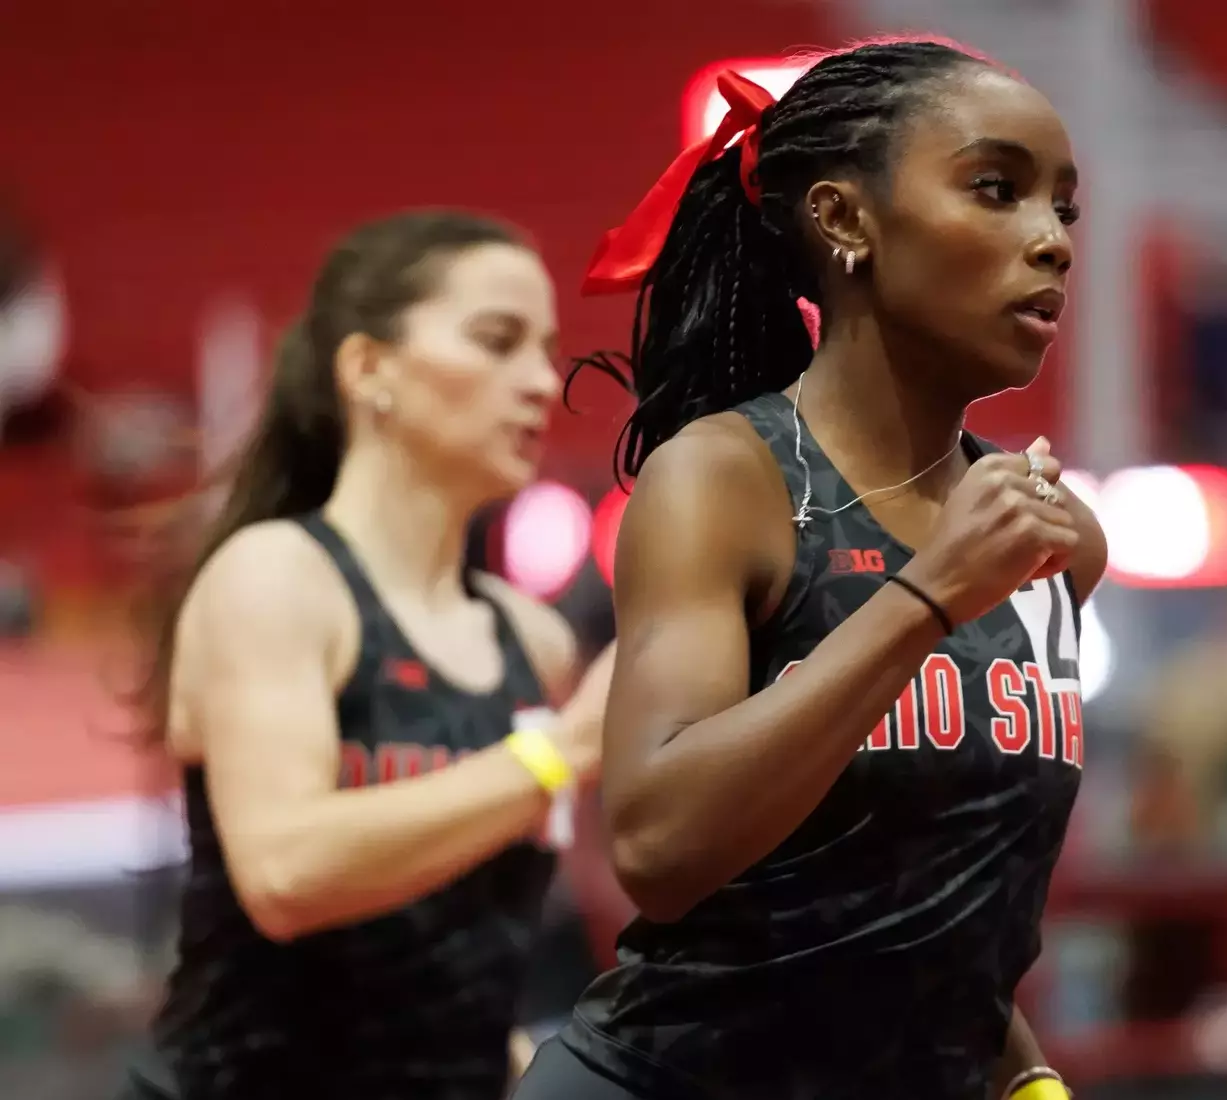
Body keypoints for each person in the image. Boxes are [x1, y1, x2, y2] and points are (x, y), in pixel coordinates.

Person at [516, 38, 1108, 1100]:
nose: (1050, 241)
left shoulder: (1052, 534)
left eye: (1063, 208)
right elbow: (656, 841)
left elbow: (920, 895)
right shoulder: (724, 480)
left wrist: (1025, 1075)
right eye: (995, 189)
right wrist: (927, 596)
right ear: (844, 220)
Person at [117, 210, 614, 1100]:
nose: (542, 381)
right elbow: (286, 872)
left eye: (546, 349)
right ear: (368, 368)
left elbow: (464, 938)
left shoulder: (531, 641)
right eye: (497, 342)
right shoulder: (278, 580)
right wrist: (560, 753)